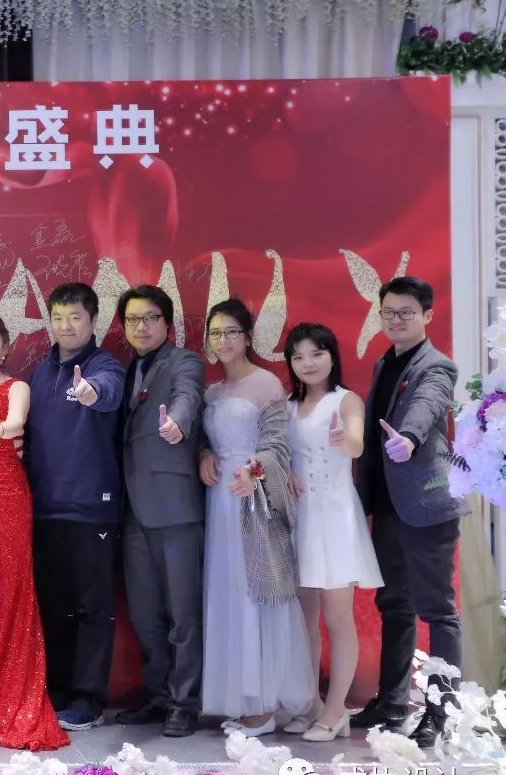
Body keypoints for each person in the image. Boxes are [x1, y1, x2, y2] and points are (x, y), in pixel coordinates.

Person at [354, 277, 468, 747]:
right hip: (388, 505)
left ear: (427, 316)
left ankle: (441, 714)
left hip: (425, 503)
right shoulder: (385, 362)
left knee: (437, 611)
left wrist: (410, 437)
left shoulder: (436, 365)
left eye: (406, 312)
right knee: (394, 606)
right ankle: (392, 701)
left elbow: (427, 403)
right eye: (389, 312)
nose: (396, 319)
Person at [196, 299, 314, 736]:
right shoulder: (211, 392)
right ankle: (242, 699)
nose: (223, 340)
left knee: (257, 590)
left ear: (248, 336)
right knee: (228, 592)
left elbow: (277, 443)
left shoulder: (266, 384)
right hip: (219, 501)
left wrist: (254, 470)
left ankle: (264, 706)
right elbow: (203, 441)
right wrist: (204, 454)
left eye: (231, 331)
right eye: (216, 333)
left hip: (255, 499)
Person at [0, 313, 69, 751]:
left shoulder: (16, 387)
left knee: (11, 596)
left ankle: (15, 702)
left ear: (5, 348)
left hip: (6, 496)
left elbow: (18, 422)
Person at [24, 282, 125, 732]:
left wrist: (90, 393)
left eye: (75, 318)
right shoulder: (39, 372)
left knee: (92, 609)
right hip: (45, 508)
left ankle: (88, 700)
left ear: (93, 321)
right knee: (55, 608)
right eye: (59, 318)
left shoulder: (105, 367)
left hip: (91, 509)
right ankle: (59, 693)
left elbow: (107, 391)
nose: (66, 326)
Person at [283, 323, 384, 742]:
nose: (308, 363)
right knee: (303, 619)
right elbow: (279, 453)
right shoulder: (287, 405)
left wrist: (346, 439)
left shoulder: (346, 400)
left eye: (316, 353)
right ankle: (310, 703)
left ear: (331, 356)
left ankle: (336, 709)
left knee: (337, 617)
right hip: (299, 518)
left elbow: (358, 444)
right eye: (299, 356)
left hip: (335, 518)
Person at [113, 284, 205, 738]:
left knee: (183, 614)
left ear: (167, 323)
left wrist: (178, 423)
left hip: (175, 507)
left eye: (150, 318)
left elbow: (188, 397)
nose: (141, 327)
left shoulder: (184, 361)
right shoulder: (127, 369)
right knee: (146, 614)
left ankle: (185, 703)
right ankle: (159, 697)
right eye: (132, 320)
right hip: (131, 510)